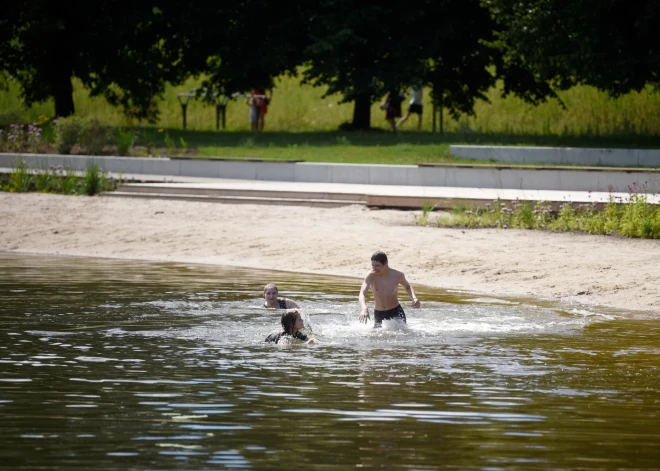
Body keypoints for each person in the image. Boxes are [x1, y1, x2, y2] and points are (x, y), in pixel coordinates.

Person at [359, 251, 421, 328]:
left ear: (386, 263)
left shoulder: (397, 275)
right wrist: (364, 308)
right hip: (379, 313)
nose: (374, 269)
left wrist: (414, 298)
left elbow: (407, 287)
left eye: (377, 266)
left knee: (404, 336)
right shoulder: (371, 275)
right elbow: (362, 293)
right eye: (372, 265)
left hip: (396, 311)